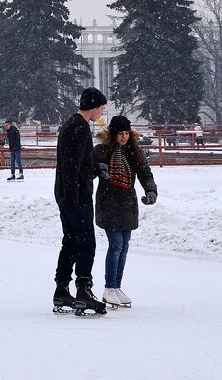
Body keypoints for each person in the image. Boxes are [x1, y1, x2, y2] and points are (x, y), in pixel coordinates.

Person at [53, 86, 107, 315]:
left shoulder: (69, 125)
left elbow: (78, 162)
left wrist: (95, 168)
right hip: (76, 197)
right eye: (102, 108)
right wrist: (74, 199)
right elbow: (72, 166)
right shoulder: (80, 127)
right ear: (93, 106)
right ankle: (83, 290)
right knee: (86, 243)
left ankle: (62, 290)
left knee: (71, 241)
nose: (102, 112)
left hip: (67, 194)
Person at [94, 116, 157, 308]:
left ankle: (117, 287)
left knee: (125, 245)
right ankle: (109, 287)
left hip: (128, 203)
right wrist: (99, 169)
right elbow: (87, 172)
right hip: (109, 202)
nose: (124, 137)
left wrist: (151, 190)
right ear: (113, 134)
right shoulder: (101, 151)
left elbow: (145, 173)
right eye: (120, 133)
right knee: (116, 244)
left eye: (127, 133)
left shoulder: (134, 151)